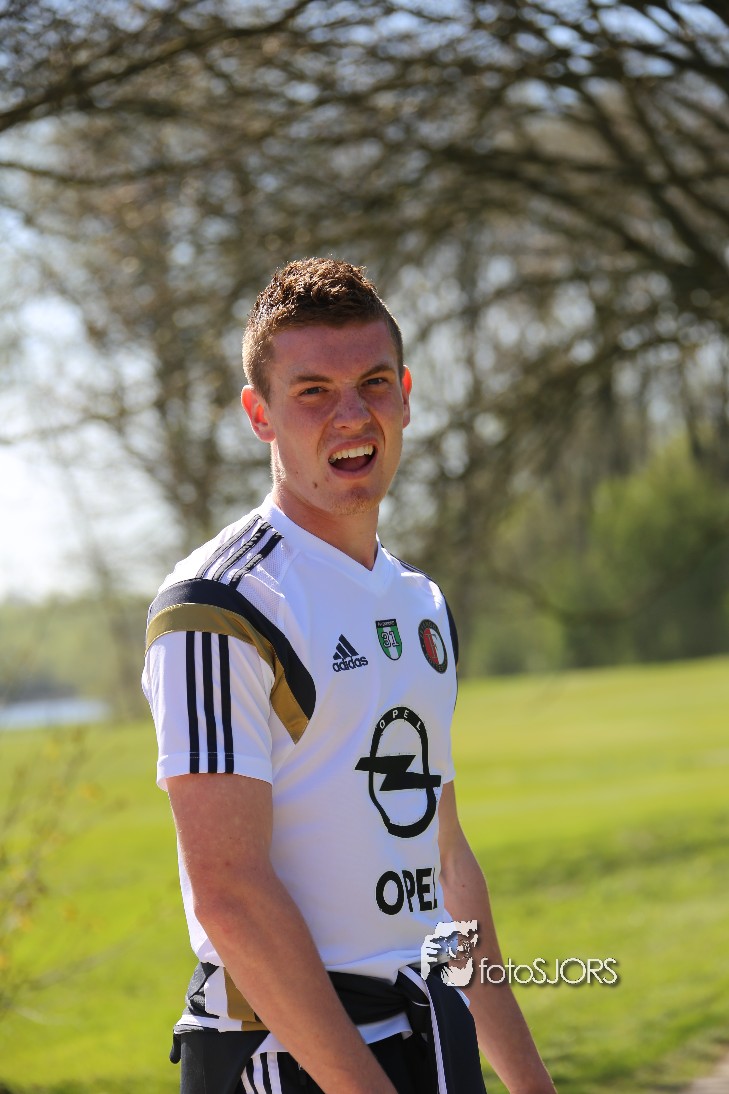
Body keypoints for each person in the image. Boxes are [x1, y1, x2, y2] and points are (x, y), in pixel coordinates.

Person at [142, 258, 557, 1094]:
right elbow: (230, 894)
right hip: (285, 1057)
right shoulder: (220, 605)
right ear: (260, 415)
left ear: (404, 395)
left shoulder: (419, 603)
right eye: (312, 392)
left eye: (372, 382)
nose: (351, 415)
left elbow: (445, 861)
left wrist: (528, 1081)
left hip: (426, 1033)